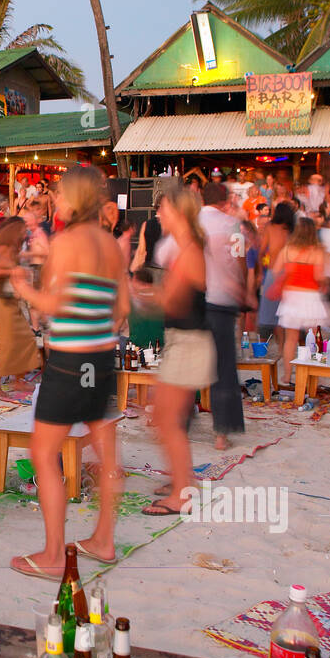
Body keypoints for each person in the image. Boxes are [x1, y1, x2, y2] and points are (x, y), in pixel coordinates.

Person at [9, 165, 128, 574]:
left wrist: (23, 286)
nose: (54, 199)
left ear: (74, 199)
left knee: (43, 453)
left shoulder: (67, 241)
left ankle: (53, 555)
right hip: (102, 360)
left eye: (59, 193)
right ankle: (104, 541)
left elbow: (54, 305)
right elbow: (122, 308)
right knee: (106, 455)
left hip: (69, 363)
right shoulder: (110, 244)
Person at [138, 186, 214, 516]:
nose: (158, 215)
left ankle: (182, 493)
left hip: (190, 343)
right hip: (184, 341)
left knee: (167, 420)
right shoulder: (187, 249)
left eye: (163, 209)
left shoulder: (191, 252)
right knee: (167, 418)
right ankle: (183, 481)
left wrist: (140, 293)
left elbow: (173, 302)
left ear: (179, 213)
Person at [198, 182, 250, 448]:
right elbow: (240, 258)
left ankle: (173, 423)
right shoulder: (231, 224)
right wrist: (241, 286)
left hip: (195, 298)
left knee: (187, 361)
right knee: (223, 367)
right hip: (221, 299)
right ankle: (221, 433)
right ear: (225, 199)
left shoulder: (192, 221)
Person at [272, 217, 330, 388]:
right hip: (310, 296)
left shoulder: (287, 249)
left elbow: (276, 270)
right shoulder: (317, 252)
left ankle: (286, 376)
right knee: (313, 338)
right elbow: (319, 277)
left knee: (290, 339)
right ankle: (312, 373)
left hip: (291, 296)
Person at [0, 216, 40, 400]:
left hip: (11, 298)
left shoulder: (11, 246)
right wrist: (12, 271)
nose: (25, 232)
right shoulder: (0, 247)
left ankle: (18, 379)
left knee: (25, 339)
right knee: (8, 343)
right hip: (1, 299)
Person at [255, 201, 295, 345]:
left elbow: (261, 252)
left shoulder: (270, 227)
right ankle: (282, 348)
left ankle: (262, 347)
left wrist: (260, 272)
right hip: (291, 273)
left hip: (274, 272)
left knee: (268, 312)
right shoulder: (292, 230)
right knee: (284, 313)